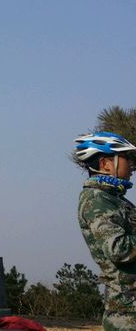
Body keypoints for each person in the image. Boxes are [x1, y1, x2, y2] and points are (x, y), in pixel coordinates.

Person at [73, 132, 136, 331]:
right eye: (126, 158)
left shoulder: (116, 199)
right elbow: (118, 249)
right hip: (128, 314)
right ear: (105, 164)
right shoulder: (96, 199)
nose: (132, 166)